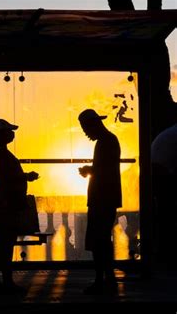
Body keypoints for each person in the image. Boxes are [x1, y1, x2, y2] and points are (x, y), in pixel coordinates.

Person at [0, 119, 39, 292]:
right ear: (1, 135)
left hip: (5, 201)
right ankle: (3, 281)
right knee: (4, 243)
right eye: (8, 131)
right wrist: (26, 176)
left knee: (2, 243)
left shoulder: (0, 152)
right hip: (4, 203)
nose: (12, 134)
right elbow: (6, 178)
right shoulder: (0, 153)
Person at [78, 109, 121, 295]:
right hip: (106, 198)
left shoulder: (106, 142)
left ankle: (102, 280)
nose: (86, 133)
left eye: (85, 129)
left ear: (92, 125)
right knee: (102, 240)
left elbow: (104, 171)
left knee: (99, 241)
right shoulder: (108, 141)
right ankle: (107, 279)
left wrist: (90, 170)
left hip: (102, 199)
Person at [151, 122, 177, 268]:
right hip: (162, 175)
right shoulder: (174, 134)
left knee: (163, 215)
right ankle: (166, 253)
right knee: (166, 216)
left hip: (157, 173)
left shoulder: (170, 133)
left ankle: (163, 251)